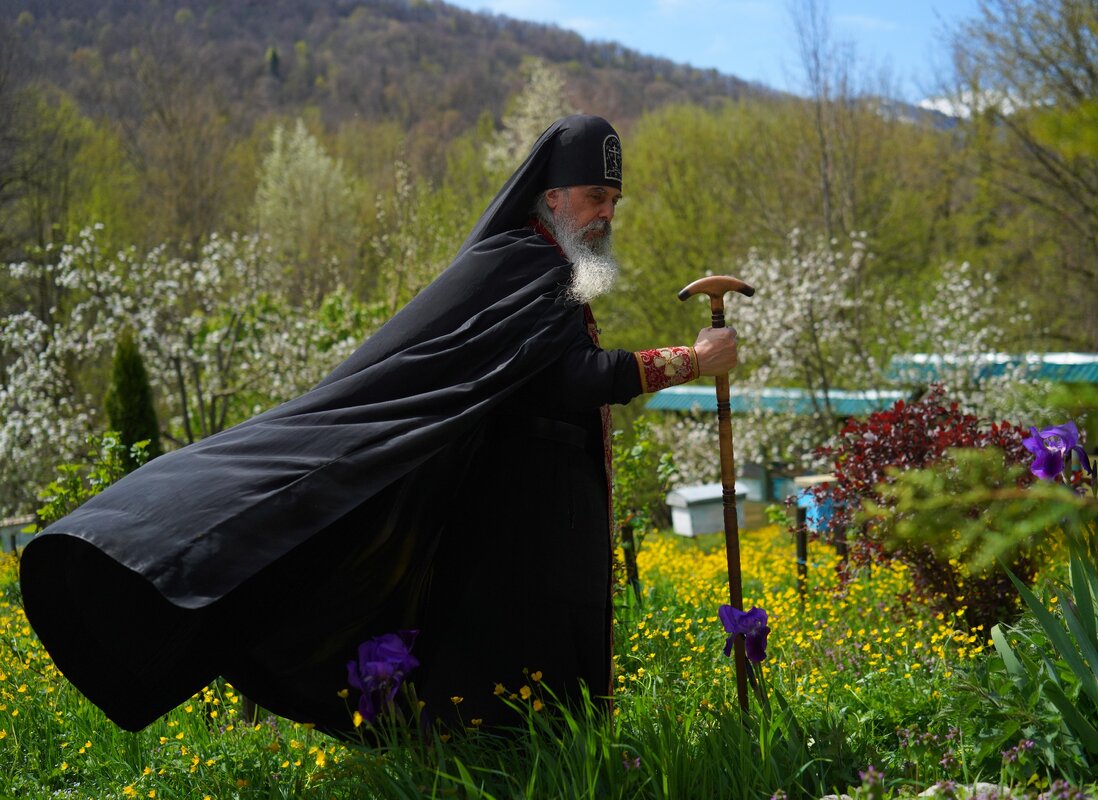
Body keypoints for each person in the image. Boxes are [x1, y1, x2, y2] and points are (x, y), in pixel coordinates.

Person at [19, 114, 737, 737]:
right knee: (518, 676)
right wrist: (688, 360)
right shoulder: (526, 265)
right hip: (518, 523)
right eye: (593, 196)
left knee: (538, 676)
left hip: (542, 518)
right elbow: (566, 381)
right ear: (551, 198)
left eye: (612, 199)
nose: (605, 213)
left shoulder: (550, 270)